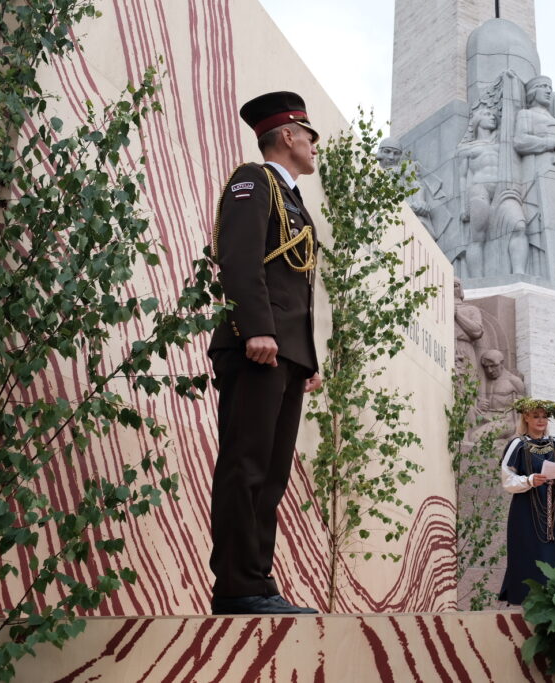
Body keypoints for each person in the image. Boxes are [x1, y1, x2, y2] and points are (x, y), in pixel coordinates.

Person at [208, 91, 323, 615]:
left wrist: (306, 360)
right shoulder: (252, 182)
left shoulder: (294, 201)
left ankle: (256, 582)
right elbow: (239, 259)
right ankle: (237, 587)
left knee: (272, 476)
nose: (315, 146)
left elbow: (295, 288)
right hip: (257, 346)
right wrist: (256, 329)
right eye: (310, 136)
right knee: (245, 466)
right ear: (288, 135)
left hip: (285, 354)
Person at [498, 397, 555, 605]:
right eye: (536, 416)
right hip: (526, 507)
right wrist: (530, 480)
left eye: (544, 416)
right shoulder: (517, 444)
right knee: (528, 551)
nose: (541, 420)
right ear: (526, 418)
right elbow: (507, 480)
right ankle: (527, 599)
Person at [456, 101, 528, 277]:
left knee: (519, 226)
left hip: (504, 189)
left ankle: (519, 273)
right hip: (479, 188)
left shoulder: (503, 143)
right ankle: (477, 279)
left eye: (494, 116)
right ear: (477, 121)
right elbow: (462, 177)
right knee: (478, 237)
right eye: (487, 115)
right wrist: (463, 206)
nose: (492, 118)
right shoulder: (466, 148)